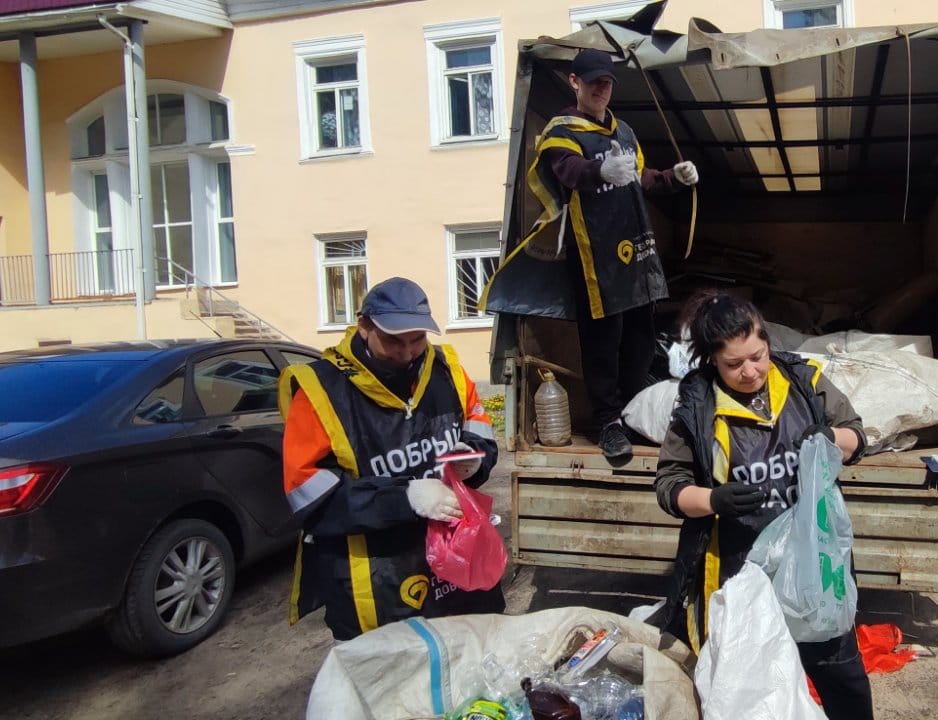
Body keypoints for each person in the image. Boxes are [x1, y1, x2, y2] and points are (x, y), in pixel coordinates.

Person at [651, 292, 875, 720]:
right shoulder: (697, 407)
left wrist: (832, 439)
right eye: (734, 364)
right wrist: (712, 499)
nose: (751, 371)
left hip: (813, 567)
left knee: (840, 675)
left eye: (758, 355)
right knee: (753, 689)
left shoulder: (803, 382)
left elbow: (857, 436)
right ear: (712, 361)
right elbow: (669, 486)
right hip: (739, 572)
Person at [481, 48, 699, 461]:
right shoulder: (561, 131)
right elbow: (565, 170)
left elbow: (641, 178)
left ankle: (633, 413)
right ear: (575, 82)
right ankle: (607, 422)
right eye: (593, 81)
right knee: (603, 344)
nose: (601, 88)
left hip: (635, 252)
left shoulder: (624, 132)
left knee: (639, 342)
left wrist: (674, 177)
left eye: (607, 82)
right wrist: (598, 171)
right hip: (593, 257)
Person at [278, 277, 503, 641]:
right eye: (393, 341)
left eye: (417, 340)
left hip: (455, 567)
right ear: (364, 325)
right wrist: (406, 498)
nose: (406, 353)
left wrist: (474, 460)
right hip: (373, 581)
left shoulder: (446, 369)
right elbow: (312, 501)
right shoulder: (321, 390)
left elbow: (479, 429)